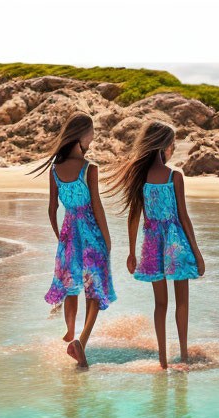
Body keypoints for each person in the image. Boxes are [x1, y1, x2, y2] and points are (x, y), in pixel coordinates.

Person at [106, 120, 205, 369]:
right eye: (172, 144)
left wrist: (131, 252)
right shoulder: (174, 177)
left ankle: (162, 361)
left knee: (160, 304)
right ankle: (183, 356)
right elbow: (184, 218)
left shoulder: (139, 176)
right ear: (165, 147)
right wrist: (198, 254)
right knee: (182, 302)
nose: (172, 149)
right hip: (176, 243)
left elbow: (133, 216)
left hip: (151, 245)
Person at [37, 112, 116, 367]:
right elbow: (97, 206)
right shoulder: (89, 169)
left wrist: (60, 236)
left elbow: (51, 209)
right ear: (82, 135)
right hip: (90, 232)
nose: (93, 137)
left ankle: (70, 330)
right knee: (94, 290)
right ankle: (80, 341)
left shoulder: (55, 170)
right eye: (91, 132)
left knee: (71, 285)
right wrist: (107, 239)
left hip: (69, 232)